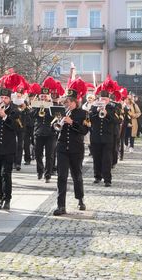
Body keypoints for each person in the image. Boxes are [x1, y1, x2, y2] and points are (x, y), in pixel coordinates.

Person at [52, 79, 89, 216]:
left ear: (75, 102)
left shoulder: (83, 114)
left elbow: (84, 131)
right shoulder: (61, 112)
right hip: (62, 148)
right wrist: (57, 123)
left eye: (68, 102)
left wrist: (72, 122)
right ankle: (61, 205)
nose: (66, 104)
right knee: (61, 176)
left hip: (76, 148)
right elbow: (55, 128)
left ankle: (80, 199)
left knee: (77, 175)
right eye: (65, 102)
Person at [0, 81, 19, 210]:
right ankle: (0, 197)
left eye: (5, 98)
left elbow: (17, 127)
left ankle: (7, 199)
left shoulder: (15, 111)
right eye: (1, 98)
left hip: (8, 148)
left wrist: (5, 116)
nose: (3, 100)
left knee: (6, 173)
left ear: (9, 99)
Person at [89, 77, 118, 187]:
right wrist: (96, 111)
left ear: (108, 100)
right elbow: (89, 119)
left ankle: (107, 179)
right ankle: (97, 176)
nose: (103, 101)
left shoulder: (112, 108)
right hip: (96, 137)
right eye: (101, 99)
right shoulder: (93, 107)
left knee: (107, 159)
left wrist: (107, 114)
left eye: (105, 99)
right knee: (96, 158)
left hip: (107, 138)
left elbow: (117, 120)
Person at [31, 77, 58, 183]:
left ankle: (48, 174)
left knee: (50, 155)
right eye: (42, 96)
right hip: (38, 133)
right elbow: (31, 115)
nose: (43, 97)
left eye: (45, 96)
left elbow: (56, 117)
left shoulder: (53, 105)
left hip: (50, 133)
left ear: (48, 96)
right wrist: (38, 107)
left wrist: (47, 108)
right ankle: (39, 171)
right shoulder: (36, 105)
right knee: (38, 154)